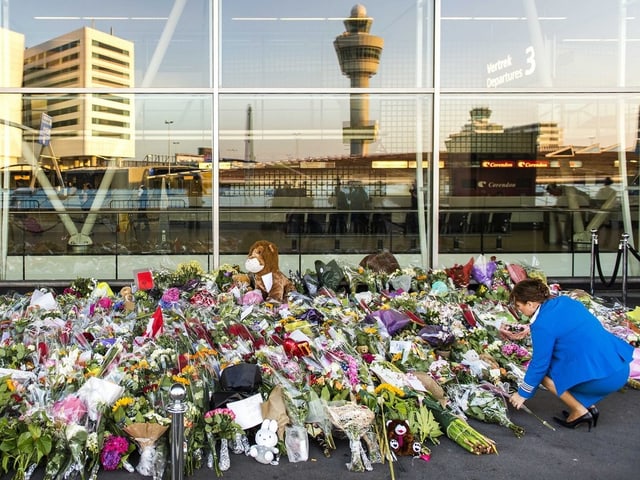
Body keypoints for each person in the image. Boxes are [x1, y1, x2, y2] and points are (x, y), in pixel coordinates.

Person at [507, 278, 634, 431]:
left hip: (603, 379)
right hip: (619, 365)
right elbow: (566, 328)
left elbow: (539, 364)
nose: (517, 309)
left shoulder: (542, 326)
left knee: (545, 374)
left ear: (530, 304)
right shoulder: (565, 301)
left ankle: (579, 411)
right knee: (574, 358)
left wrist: (522, 394)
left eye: (518, 305)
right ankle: (588, 405)